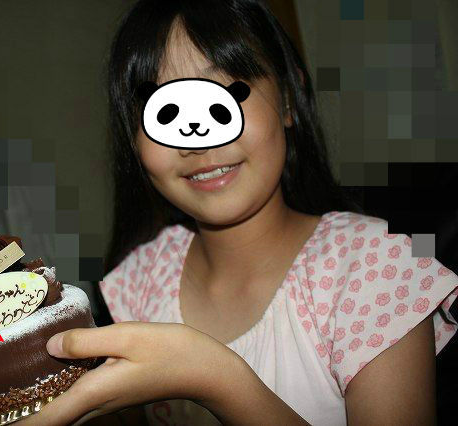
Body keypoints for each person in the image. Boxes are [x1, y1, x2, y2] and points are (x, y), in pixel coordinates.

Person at [23, 0, 458, 424]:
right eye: (164, 109)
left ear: (286, 100)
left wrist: (215, 378)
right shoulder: (141, 278)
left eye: (226, 90)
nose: (197, 136)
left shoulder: (374, 266)